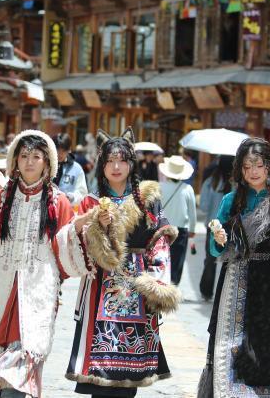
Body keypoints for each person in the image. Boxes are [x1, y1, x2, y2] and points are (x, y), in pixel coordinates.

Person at [0, 130, 87, 397]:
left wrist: (77, 229)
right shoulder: (3, 198)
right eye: (24, 156)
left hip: (37, 291)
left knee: (24, 360)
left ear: (47, 162)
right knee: (3, 367)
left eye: (36, 157)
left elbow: (65, 253)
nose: (30, 162)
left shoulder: (58, 201)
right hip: (0, 287)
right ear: (15, 160)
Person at [66, 127, 180, 397]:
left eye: (122, 160)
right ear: (101, 164)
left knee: (130, 377)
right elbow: (77, 246)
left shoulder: (147, 199)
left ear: (131, 163)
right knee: (98, 374)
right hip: (100, 286)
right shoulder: (91, 202)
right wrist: (98, 227)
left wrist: (155, 282)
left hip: (138, 287)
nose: (116, 167)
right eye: (110, 161)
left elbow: (160, 240)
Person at [198, 138, 270, 398]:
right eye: (246, 166)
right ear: (240, 169)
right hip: (235, 280)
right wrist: (219, 241)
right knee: (231, 344)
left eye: (258, 165)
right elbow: (215, 250)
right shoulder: (230, 200)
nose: (253, 172)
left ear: (269, 166)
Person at [198, 155, 233, 300]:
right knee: (230, 261)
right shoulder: (237, 184)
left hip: (213, 225)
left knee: (210, 259)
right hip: (231, 226)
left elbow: (204, 206)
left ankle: (207, 291)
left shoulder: (210, 182)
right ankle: (226, 293)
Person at [159, 155, 197, 286]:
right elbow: (192, 213)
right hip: (181, 230)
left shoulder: (160, 186)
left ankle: (162, 284)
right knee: (177, 261)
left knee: (161, 258)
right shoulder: (188, 189)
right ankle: (173, 286)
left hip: (163, 228)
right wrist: (192, 229)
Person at [53, 133, 88, 206]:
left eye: (63, 150)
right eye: (57, 150)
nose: (60, 154)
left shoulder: (77, 168)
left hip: (67, 209)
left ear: (69, 150)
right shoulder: (45, 165)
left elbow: (82, 193)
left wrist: (72, 197)